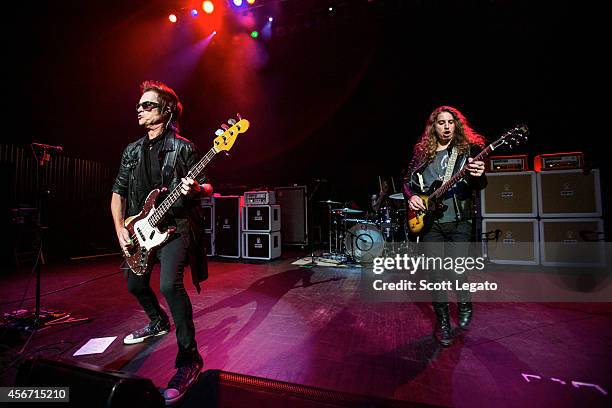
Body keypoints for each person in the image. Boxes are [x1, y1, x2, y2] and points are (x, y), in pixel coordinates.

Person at [110, 80, 213, 404]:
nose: (139, 109)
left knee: (170, 285)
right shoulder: (132, 150)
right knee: (134, 284)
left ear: (166, 110)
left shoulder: (183, 148)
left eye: (147, 105)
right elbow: (118, 194)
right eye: (139, 105)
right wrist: (121, 230)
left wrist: (196, 188)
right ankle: (157, 321)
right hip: (141, 229)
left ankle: (189, 360)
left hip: (177, 228)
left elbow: (209, 187)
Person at [402, 106, 486, 347]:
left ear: (457, 125)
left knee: (456, 269)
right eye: (441, 122)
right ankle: (442, 323)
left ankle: (464, 302)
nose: (447, 126)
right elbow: (406, 181)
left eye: (451, 122)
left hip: (459, 221)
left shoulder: (466, 150)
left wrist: (479, 174)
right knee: (436, 275)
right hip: (430, 224)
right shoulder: (422, 154)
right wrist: (411, 197)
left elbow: (480, 184)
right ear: (434, 126)